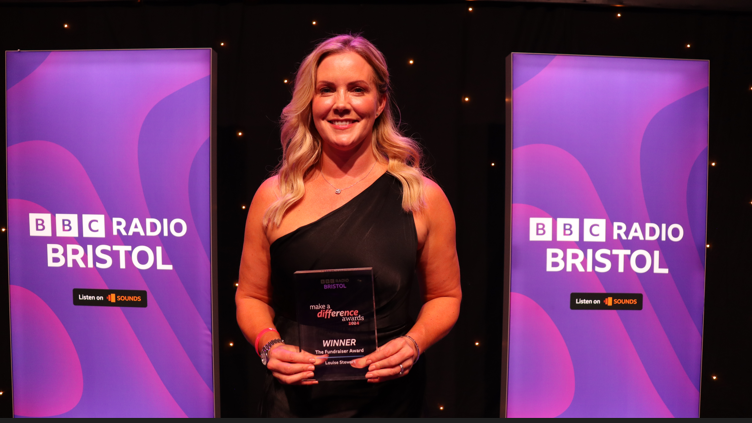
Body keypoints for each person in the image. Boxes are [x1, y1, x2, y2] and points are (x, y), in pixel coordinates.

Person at [236, 34, 461, 417]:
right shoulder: (273, 196)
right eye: (327, 90)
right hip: (294, 403)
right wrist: (269, 346)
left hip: (391, 402)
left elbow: (445, 297)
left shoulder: (422, 197)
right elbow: (251, 298)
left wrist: (413, 343)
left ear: (380, 102)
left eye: (357, 89)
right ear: (311, 102)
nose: (341, 104)